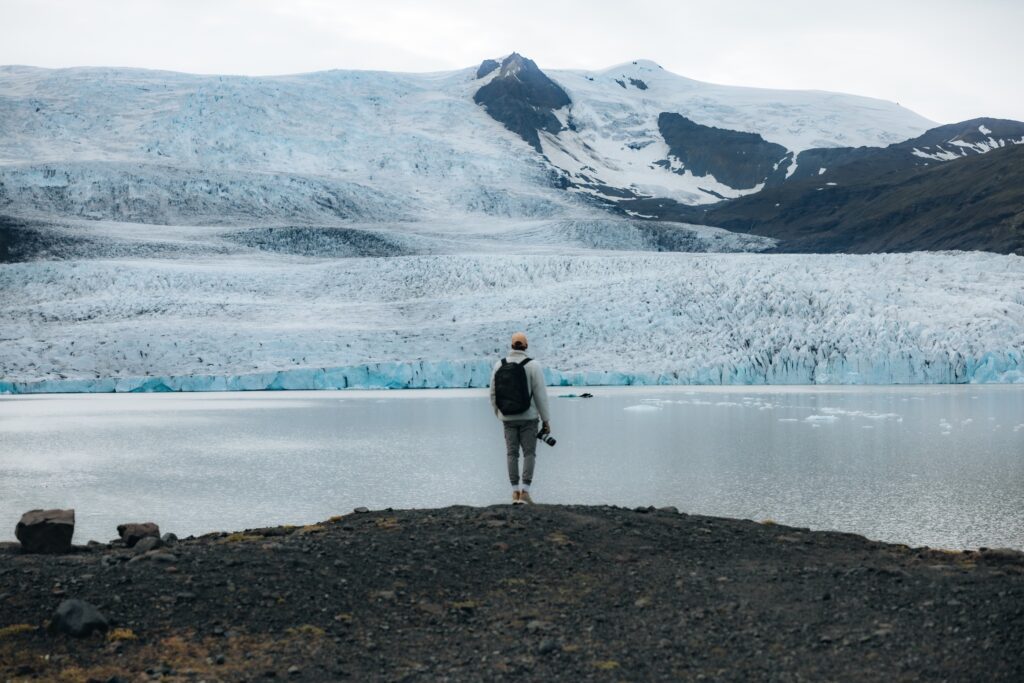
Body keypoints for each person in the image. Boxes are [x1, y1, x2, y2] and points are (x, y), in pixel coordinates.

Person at [489, 331, 551, 504]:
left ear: (511, 346)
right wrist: (546, 420)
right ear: (526, 346)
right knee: (529, 453)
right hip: (529, 418)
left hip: (507, 418)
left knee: (511, 453)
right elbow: (541, 395)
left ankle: (514, 492)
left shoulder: (499, 365)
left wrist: (499, 413)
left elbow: (492, 393)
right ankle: (525, 492)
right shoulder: (533, 366)